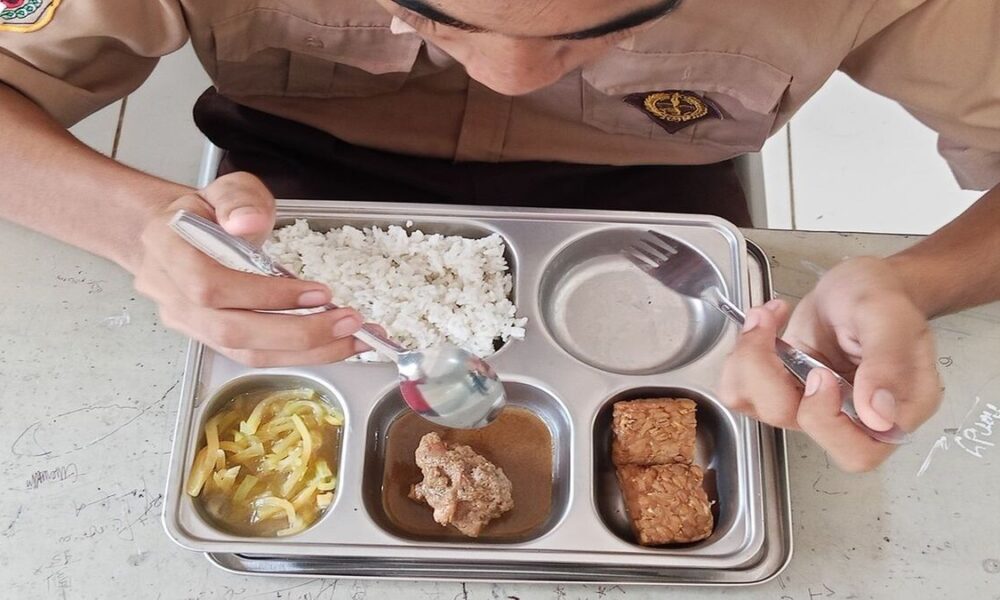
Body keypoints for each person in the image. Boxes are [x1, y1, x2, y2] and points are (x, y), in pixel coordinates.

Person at [1, 0, 997, 472]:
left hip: (662, 214)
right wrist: (132, 223)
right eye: (429, 12)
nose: (509, 74)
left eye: (618, 20)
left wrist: (916, 279)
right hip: (280, 192)